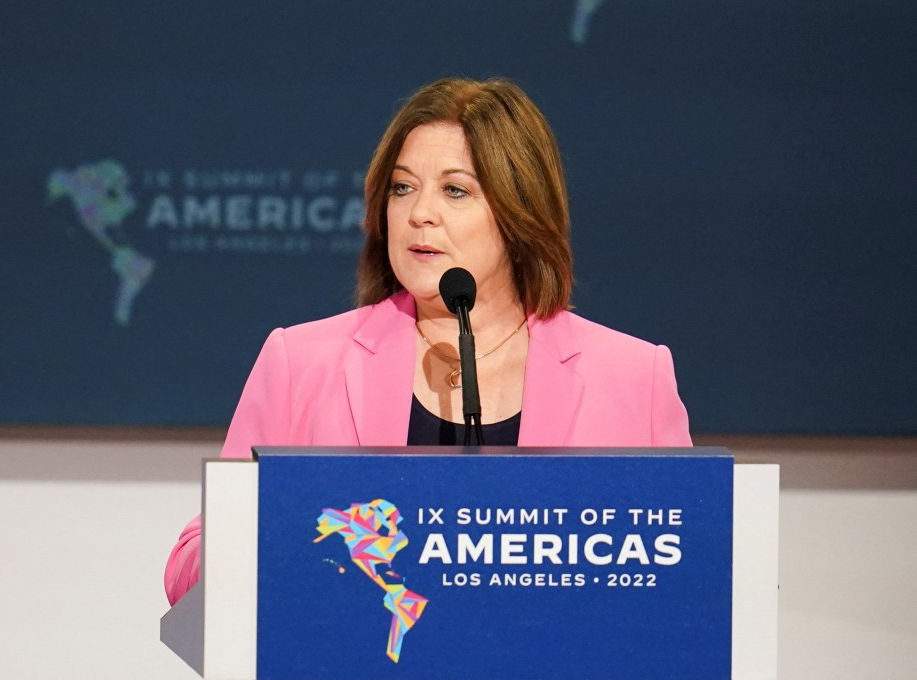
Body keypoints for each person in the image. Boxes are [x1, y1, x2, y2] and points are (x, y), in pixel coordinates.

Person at [164, 77, 691, 605]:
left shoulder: (632, 377)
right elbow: (189, 571)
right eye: (402, 187)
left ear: (519, 212)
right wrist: (287, 531)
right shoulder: (302, 361)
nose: (419, 213)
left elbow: (689, 572)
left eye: (455, 190)